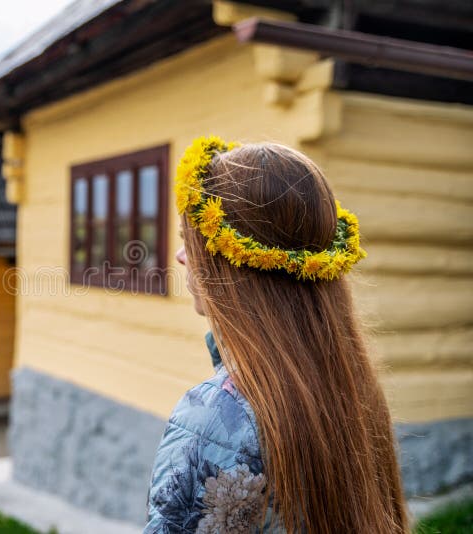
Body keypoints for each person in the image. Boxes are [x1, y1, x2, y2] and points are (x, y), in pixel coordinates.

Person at [143, 137, 409, 533]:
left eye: (189, 242)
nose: (182, 257)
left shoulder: (218, 417)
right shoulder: (350, 383)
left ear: (230, 262)